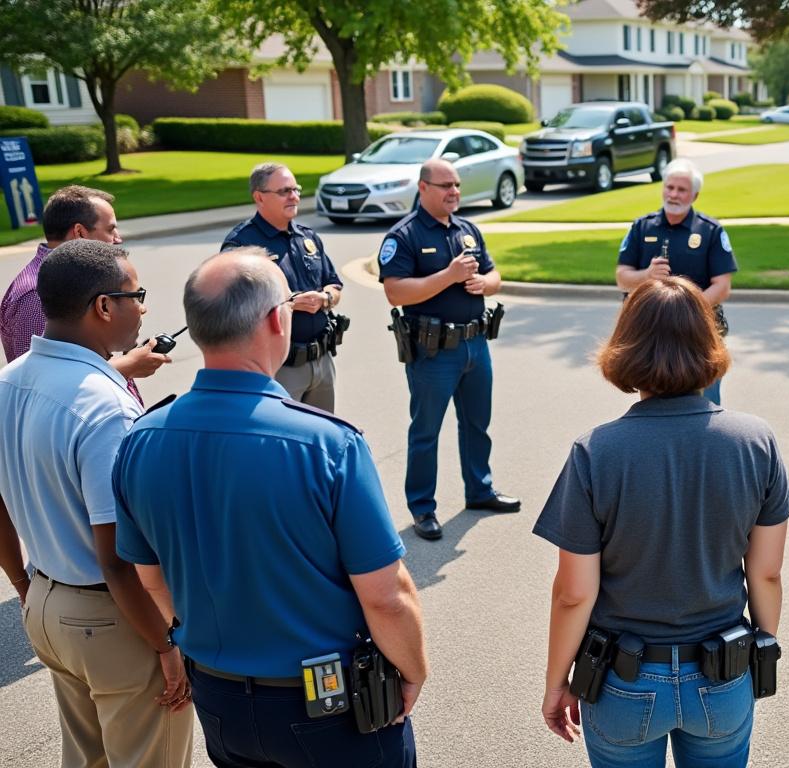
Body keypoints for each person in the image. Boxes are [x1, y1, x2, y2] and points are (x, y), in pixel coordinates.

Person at [113, 249, 427, 767]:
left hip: (219, 698)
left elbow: (152, 580)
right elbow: (387, 596)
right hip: (329, 701)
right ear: (277, 320)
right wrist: (412, 669)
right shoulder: (326, 444)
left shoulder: (140, 440)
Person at [536, 277, 789, 768]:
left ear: (626, 347)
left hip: (622, 679)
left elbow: (573, 593)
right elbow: (766, 573)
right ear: (708, 343)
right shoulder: (755, 442)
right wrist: (762, 652)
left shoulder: (595, 452)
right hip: (722, 672)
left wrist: (556, 682)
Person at [0, 239, 193, 767]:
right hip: (113, 619)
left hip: (45, 600)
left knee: (88, 759)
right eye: (137, 296)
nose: (144, 309)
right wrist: (166, 646)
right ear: (104, 306)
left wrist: (23, 586)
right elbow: (118, 560)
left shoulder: (8, 382)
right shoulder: (105, 407)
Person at [379, 157, 521, 541]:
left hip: (476, 344)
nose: (454, 192)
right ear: (423, 188)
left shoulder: (467, 230)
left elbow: (494, 275)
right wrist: (449, 276)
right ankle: (422, 507)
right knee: (426, 432)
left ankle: (480, 490)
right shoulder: (404, 236)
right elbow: (395, 291)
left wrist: (485, 284)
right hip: (433, 351)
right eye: (446, 186)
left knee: (477, 424)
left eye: (456, 185)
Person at [0, 185, 169, 395]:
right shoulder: (37, 295)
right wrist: (127, 366)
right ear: (80, 232)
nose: (118, 239)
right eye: (110, 229)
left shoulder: (66, 279)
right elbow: (39, 386)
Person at [222, 162, 345, 412]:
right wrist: (288, 305)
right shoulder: (242, 244)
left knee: (321, 432)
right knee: (281, 434)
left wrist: (324, 299)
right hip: (279, 368)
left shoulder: (307, 237)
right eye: (284, 191)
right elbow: (232, 307)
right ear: (259, 197)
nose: (294, 197)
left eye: (295, 189)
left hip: (322, 361)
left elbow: (334, 285)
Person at [616, 158, 737, 403]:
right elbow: (622, 278)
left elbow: (722, 287)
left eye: (681, 190)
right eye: (669, 187)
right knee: (653, 405)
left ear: (695, 195)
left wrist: (685, 311)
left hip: (698, 333)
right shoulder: (641, 227)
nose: (673, 194)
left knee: (706, 404)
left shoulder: (710, 231)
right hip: (651, 333)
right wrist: (646, 276)